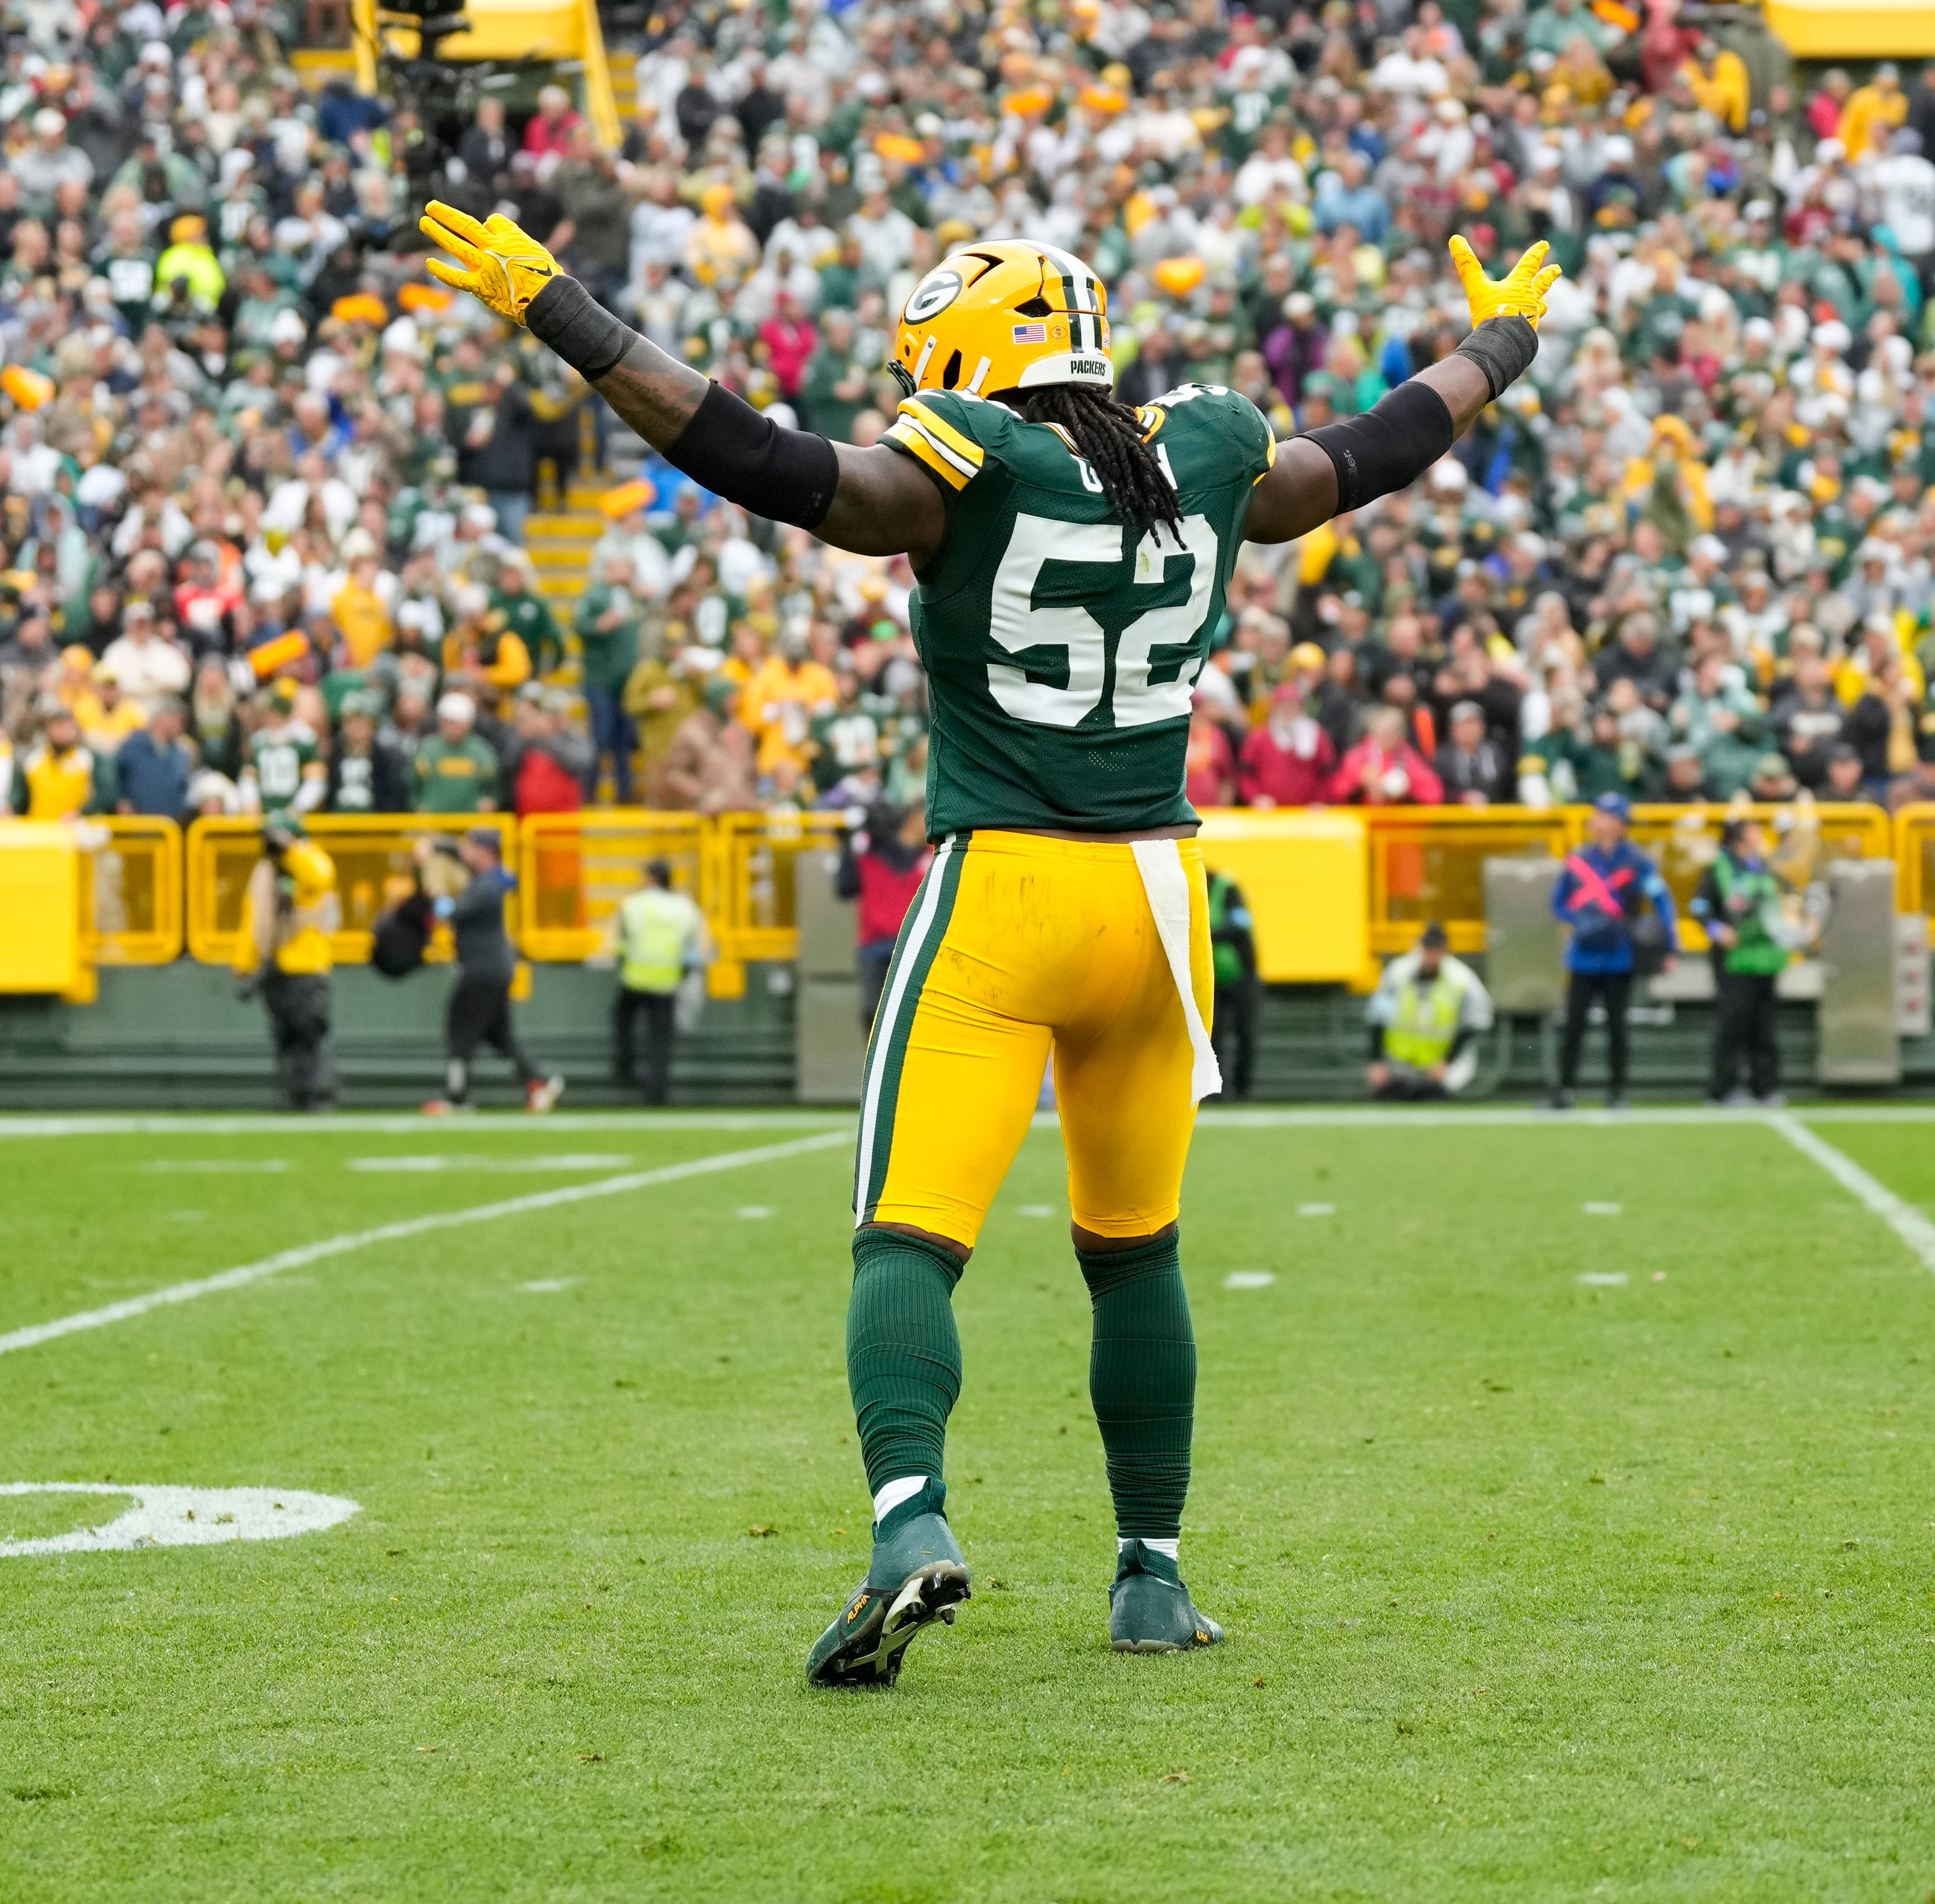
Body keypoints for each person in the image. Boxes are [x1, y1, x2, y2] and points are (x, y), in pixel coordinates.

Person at [421, 200, 1555, 1680]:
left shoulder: (970, 469)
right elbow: (1373, 453)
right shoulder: (1203, 450)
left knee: (907, 1235)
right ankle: (1149, 1574)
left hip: (1007, 888)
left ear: (971, 350)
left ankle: (910, 1523)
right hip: (1158, 904)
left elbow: (762, 461)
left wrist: (562, 313)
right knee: (1134, 1252)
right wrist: (1503, 342)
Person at [1546, 790, 1674, 1111]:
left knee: (1617, 1027)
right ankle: (1564, 1090)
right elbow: (1558, 901)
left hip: (1619, 954)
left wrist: (1668, 943)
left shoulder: (1636, 861)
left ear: (1619, 824)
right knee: (1573, 1027)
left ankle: (1617, 1092)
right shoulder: (1579, 858)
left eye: (1605, 816)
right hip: (1584, 955)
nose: (1597, 821)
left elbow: (1661, 900)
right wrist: (1578, 920)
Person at [423, 825, 561, 1115]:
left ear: (485, 852)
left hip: (483, 969)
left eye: (471, 847)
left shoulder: (486, 886)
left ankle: (456, 1096)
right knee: (499, 1035)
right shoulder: (491, 880)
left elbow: (450, 913)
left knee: (459, 1029)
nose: (465, 852)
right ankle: (539, 1083)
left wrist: (435, 888)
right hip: (494, 968)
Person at [238, 814, 340, 1113]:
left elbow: (318, 877)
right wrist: (246, 962)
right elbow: (256, 919)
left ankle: (319, 1098)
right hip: (276, 967)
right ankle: (294, 1098)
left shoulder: (311, 861)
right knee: (285, 1038)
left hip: (307, 965)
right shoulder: (267, 872)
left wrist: (290, 849)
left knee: (310, 1035)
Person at [1692, 818, 1791, 1107]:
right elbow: (1699, 906)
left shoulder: (1762, 866)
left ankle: (1765, 1087)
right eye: (1753, 830)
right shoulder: (1718, 869)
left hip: (1766, 957)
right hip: (1733, 959)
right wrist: (1717, 930)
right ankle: (1723, 1088)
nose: (1760, 835)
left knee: (1765, 1026)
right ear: (1738, 839)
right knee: (1733, 1024)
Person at [600, 856, 710, 1106]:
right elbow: (697, 946)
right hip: (667, 980)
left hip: (636, 977)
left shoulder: (634, 904)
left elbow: (617, 941)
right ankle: (657, 1092)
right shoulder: (685, 907)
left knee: (622, 1019)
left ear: (650, 879)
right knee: (661, 1039)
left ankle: (626, 1068)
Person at [1364, 922, 1490, 1099]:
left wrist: (1447, 1063)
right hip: (1398, 1069)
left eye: (1436, 950)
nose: (1431, 956)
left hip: (1439, 1071)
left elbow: (1475, 1024)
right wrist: (1377, 1063)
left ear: (1445, 951)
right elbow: (1377, 1019)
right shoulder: (1397, 973)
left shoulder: (1462, 980)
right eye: (1428, 949)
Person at [838, 801, 928, 1024]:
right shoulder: (869, 852)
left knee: (914, 1017)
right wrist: (847, 846)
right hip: (875, 946)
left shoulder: (933, 855)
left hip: (915, 947)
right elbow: (845, 888)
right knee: (873, 1015)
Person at [1205, 863, 1260, 1101]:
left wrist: (1206, 933)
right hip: (1210, 980)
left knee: (1245, 1034)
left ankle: (1242, 1090)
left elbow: (1240, 926)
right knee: (1212, 1036)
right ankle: (1215, 1092)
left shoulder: (1227, 889)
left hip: (1242, 977)